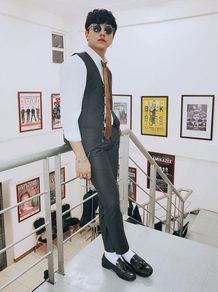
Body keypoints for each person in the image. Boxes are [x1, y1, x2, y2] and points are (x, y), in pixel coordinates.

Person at [60, 9, 153, 281]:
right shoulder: (76, 64)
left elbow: (100, 103)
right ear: (86, 32)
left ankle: (110, 254)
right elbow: (68, 114)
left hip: (110, 139)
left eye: (109, 29)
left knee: (108, 200)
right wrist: (80, 157)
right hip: (92, 145)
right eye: (97, 27)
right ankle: (124, 251)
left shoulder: (105, 68)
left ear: (112, 37)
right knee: (112, 201)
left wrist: (114, 127)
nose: (103, 32)